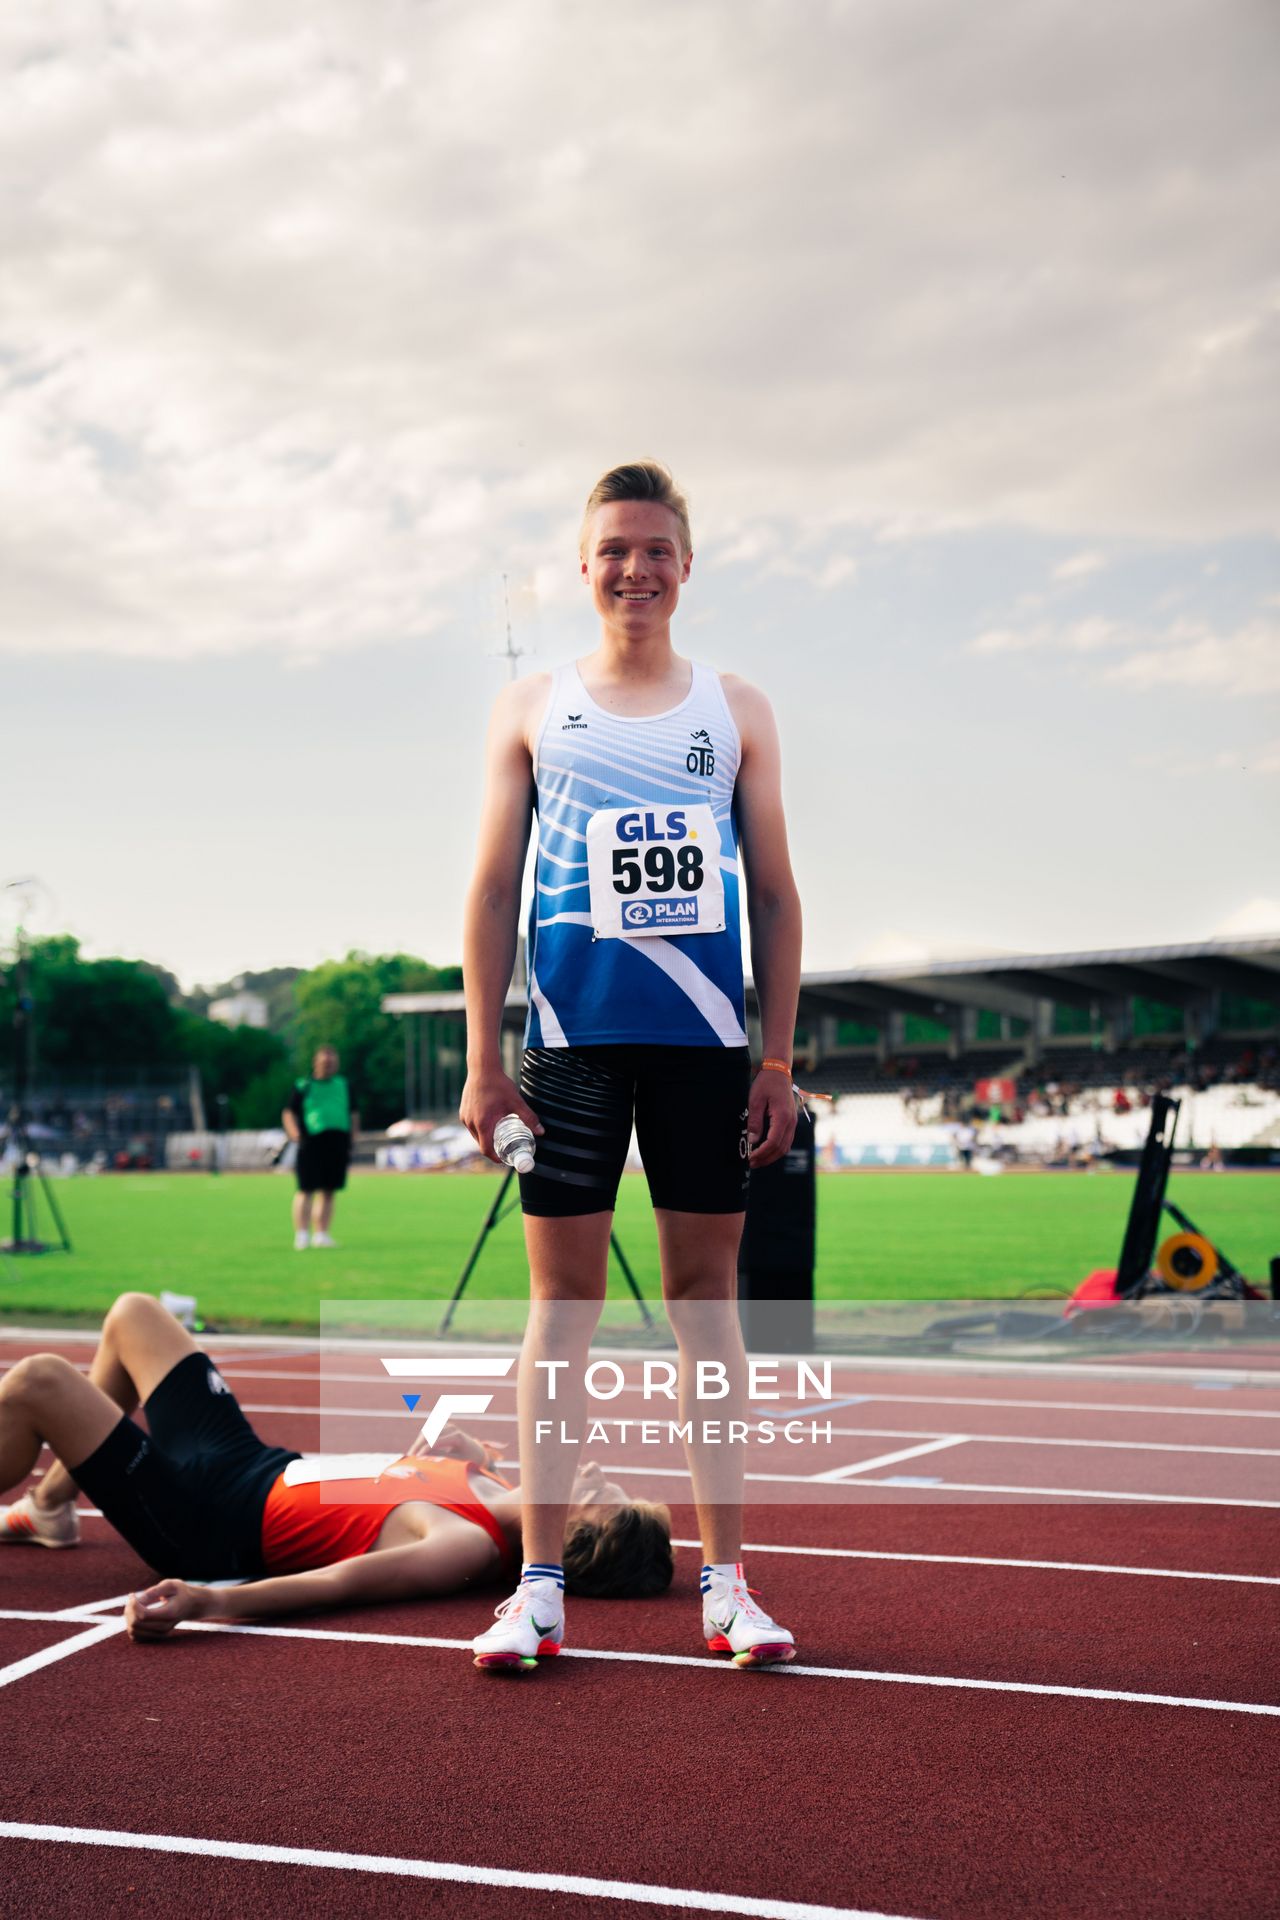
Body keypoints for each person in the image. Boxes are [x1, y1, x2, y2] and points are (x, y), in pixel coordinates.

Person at [460, 459, 802, 1672]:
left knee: (707, 1312)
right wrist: (482, 1062)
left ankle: (726, 1588)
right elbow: (494, 888)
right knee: (561, 1311)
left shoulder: (736, 708)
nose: (634, 568)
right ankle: (538, 1588)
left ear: (685, 566)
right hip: (568, 1047)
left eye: (655, 548)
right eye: (613, 549)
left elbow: (769, 890)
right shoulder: (532, 709)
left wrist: (778, 1058)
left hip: (708, 1050)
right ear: (584, 563)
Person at [0, 1293, 670, 1653]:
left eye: (595, 1493)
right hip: (247, 1460)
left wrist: (210, 1602)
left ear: (570, 1538)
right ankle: (52, 1507)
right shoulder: (489, 1481)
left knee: (40, 1382)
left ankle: (47, 1495)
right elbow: (372, 1490)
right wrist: (447, 1453)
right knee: (134, 1315)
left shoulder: (462, 1543)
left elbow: (337, 1582)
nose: (594, 1466)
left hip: (203, 1523)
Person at [282, 1045, 359, 1249]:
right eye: (325, 1062)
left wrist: (353, 1137)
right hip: (312, 1140)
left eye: (333, 1062)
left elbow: (353, 1112)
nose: (329, 1065)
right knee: (306, 1188)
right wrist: (294, 1132)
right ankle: (302, 1234)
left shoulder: (343, 1084)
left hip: (338, 1140)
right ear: (316, 1062)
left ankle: (322, 1233)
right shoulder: (304, 1085)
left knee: (329, 1190)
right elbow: (289, 1112)